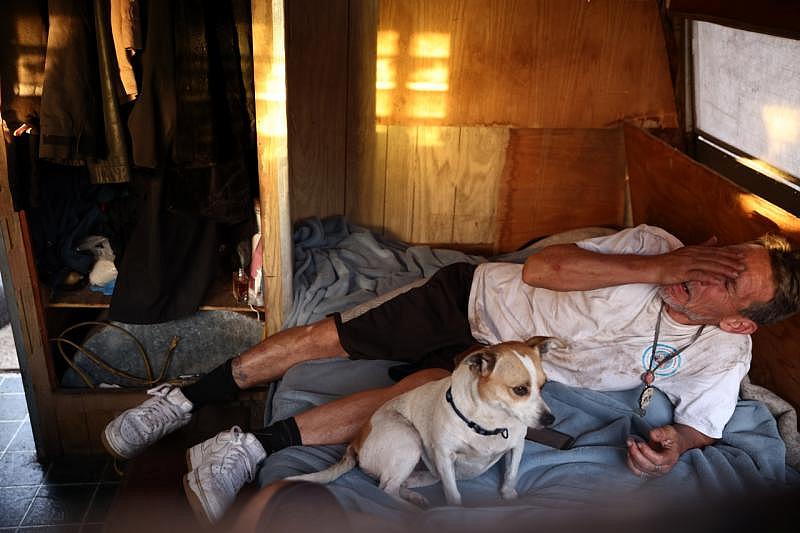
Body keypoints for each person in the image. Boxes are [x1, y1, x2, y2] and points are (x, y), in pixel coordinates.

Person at [101, 224, 800, 523]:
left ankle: (247, 447)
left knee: (416, 398)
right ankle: (182, 397)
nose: (707, 275)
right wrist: (664, 267)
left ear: (740, 321)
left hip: (497, 365)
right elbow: (541, 268)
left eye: (727, 282)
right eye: (722, 256)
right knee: (327, 339)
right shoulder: (655, 249)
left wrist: (676, 445)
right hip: (474, 300)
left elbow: (700, 426)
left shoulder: (722, 354)